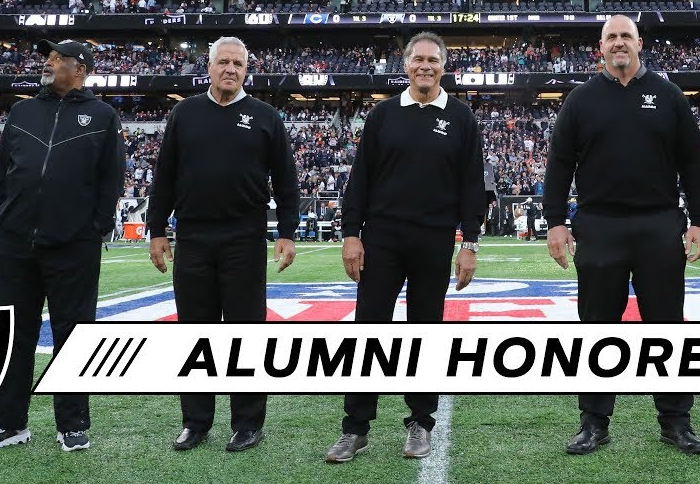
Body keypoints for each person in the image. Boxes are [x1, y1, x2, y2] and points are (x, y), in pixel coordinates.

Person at [544, 15, 700, 456]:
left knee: (667, 328)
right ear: (600, 47)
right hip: (598, 225)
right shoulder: (580, 100)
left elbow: (694, 163)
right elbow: (559, 165)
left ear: (640, 43)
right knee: (597, 329)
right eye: (611, 37)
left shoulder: (669, 95)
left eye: (626, 36)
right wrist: (556, 222)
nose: (619, 43)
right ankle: (594, 422)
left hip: (659, 223)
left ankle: (675, 421)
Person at [325, 32, 486, 464]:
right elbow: (359, 179)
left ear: (443, 66)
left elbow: (473, 187)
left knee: (425, 332)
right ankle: (355, 428)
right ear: (406, 64)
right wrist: (351, 234)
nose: (425, 66)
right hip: (381, 239)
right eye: (418, 59)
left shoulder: (461, 117)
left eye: (433, 60)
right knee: (368, 333)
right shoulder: (383, 115)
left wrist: (469, 243)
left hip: (434, 240)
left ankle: (420, 422)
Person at [0, 39, 125, 454]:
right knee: (10, 335)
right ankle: (7, 422)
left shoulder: (104, 116)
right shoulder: (22, 111)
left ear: (81, 69)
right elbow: (1, 169)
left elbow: (111, 180)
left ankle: (71, 424)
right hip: (13, 244)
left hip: (74, 245)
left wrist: (94, 229)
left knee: (72, 335)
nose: (49, 63)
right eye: (49, 58)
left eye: (58, 59)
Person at [148, 36, 300, 454]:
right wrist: (156, 230)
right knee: (195, 333)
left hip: (245, 238)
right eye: (223, 62)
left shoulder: (265, 116)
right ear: (210, 66)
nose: (230, 69)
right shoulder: (185, 112)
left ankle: (248, 423)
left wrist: (286, 232)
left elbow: (287, 181)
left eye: (238, 63)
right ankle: (196, 422)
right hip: (193, 237)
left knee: (245, 333)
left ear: (246, 70)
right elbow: (164, 176)